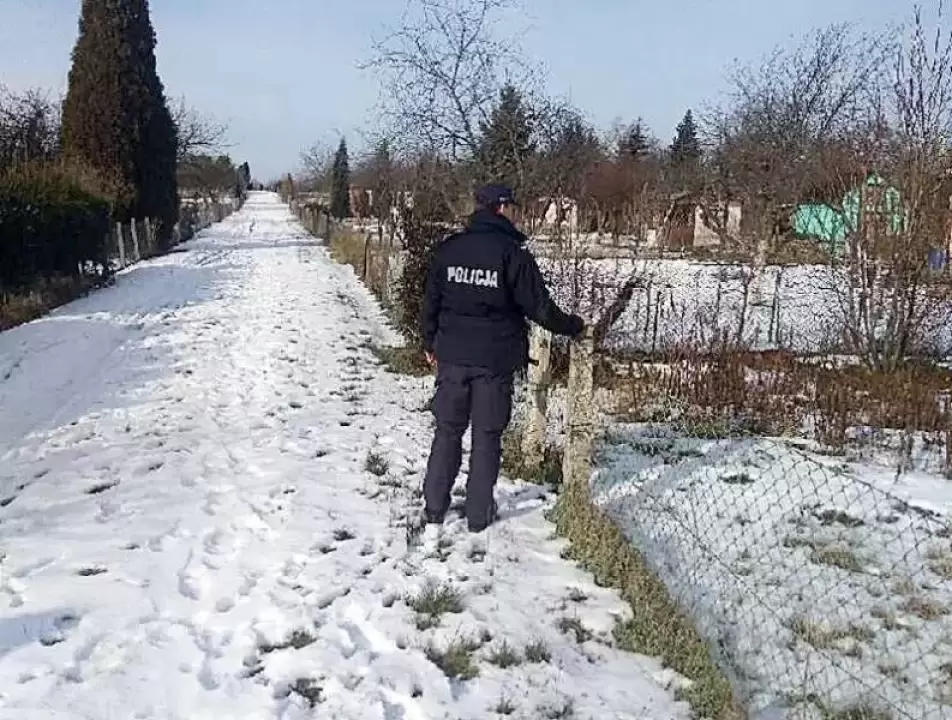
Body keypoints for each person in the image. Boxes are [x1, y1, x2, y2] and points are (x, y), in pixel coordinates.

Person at [420, 183, 585, 540]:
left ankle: (434, 507)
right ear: (500, 207)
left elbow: (431, 301)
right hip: (494, 362)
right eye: (513, 206)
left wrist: (429, 342)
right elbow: (539, 308)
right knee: (487, 435)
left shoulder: (449, 249)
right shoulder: (512, 255)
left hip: (452, 357)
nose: (516, 213)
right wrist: (574, 326)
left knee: (447, 431)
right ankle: (478, 514)